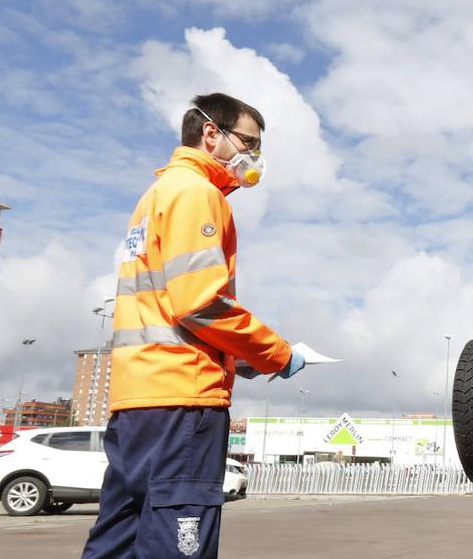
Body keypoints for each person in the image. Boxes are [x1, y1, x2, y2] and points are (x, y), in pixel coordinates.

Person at [82, 92, 306, 559]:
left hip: (136, 400)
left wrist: (238, 358)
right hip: (183, 400)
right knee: (177, 539)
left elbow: (167, 307)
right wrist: (276, 354)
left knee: (120, 536)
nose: (253, 156)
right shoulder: (197, 194)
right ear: (211, 133)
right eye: (248, 141)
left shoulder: (155, 196)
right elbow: (199, 303)